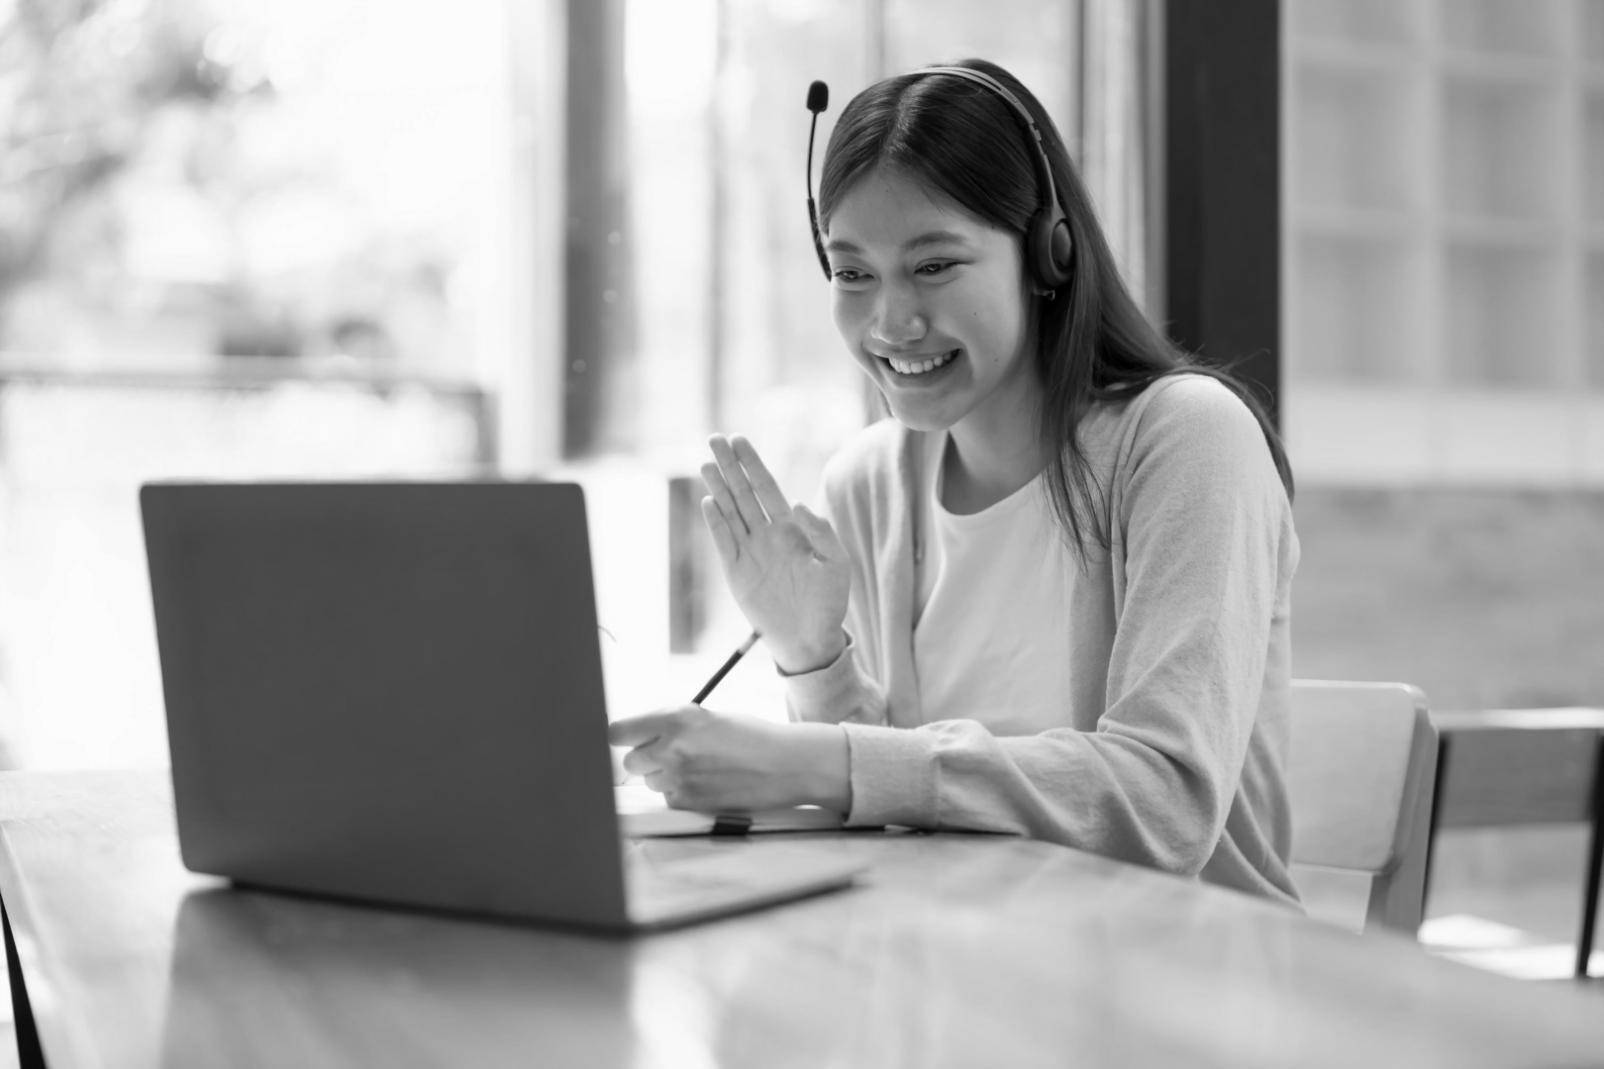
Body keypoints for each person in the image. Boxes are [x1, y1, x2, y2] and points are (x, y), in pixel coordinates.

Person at [609, 58, 1300, 905]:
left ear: (1047, 254)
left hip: (1186, 964)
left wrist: (818, 762)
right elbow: (901, 814)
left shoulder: (1187, 437)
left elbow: (1165, 804)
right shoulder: (872, 481)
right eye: (852, 272)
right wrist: (811, 654)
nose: (891, 322)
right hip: (965, 949)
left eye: (933, 265)